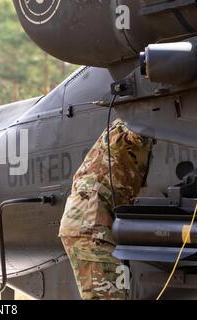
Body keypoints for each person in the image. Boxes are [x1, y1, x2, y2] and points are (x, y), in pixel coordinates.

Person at [59, 119, 154, 299]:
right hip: (88, 226)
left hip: (97, 225)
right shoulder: (125, 125)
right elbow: (127, 137)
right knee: (110, 295)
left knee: (117, 292)